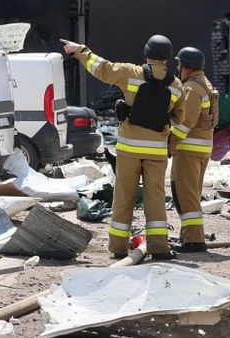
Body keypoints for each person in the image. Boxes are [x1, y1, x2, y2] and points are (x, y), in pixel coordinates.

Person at [62, 35, 184, 260]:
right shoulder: (176, 86)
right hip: (157, 151)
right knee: (155, 198)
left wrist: (80, 51)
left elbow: (102, 68)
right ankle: (159, 248)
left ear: (147, 53)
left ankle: (118, 247)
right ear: (167, 58)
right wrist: (170, 144)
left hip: (129, 148)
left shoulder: (131, 73)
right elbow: (180, 120)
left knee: (124, 195)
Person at [168, 46, 217, 254]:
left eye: (179, 64)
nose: (178, 68)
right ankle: (188, 236)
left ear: (187, 68)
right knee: (191, 195)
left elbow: (184, 124)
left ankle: (194, 241)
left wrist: (168, 146)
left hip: (187, 150)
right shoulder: (205, 84)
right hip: (202, 149)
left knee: (184, 195)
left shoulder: (192, 89)